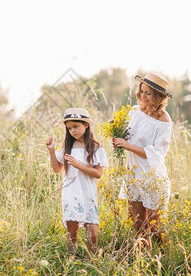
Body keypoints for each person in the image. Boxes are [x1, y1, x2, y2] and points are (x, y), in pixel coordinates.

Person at [112, 72, 173, 249]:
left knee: (155, 228)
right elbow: (127, 137)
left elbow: (157, 153)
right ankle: (143, 263)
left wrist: (128, 146)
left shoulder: (163, 120)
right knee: (138, 226)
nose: (143, 96)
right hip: (133, 174)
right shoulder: (134, 112)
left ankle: (166, 257)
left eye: (148, 93)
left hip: (151, 177)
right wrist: (118, 139)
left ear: (159, 97)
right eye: (142, 91)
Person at [46, 108, 109, 255]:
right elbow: (57, 169)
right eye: (69, 128)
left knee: (92, 234)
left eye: (76, 126)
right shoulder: (67, 147)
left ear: (86, 125)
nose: (72, 131)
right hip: (71, 193)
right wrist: (51, 150)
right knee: (71, 234)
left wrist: (79, 165)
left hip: (87, 193)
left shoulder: (95, 148)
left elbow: (98, 173)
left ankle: (91, 263)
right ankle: (70, 263)